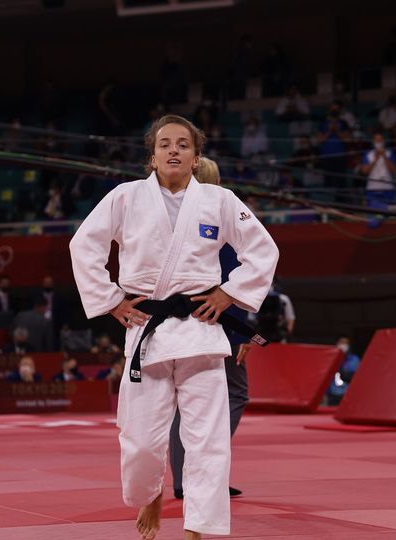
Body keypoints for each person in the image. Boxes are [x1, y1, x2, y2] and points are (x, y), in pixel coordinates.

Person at [69, 114, 278, 540]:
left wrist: (229, 293)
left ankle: (198, 525)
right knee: (141, 440)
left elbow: (263, 250)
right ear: (152, 156)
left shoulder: (219, 200)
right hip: (148, 329)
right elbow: (84, 245)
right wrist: (111, 301)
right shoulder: (125, 197)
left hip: (201, 332)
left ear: (196, 156)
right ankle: (151, 493)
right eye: (165, 144)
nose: (174, 151)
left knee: (207, 439)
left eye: (183, 144)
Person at [169, 156, 256, 502]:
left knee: (184, 403)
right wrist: (244, 331)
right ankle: (206, 469)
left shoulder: (176, 219)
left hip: (181, 321)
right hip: (222, 323)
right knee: (234, 395)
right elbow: (237, 278)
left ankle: (183, 479)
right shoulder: (223, 215)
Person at [360, 133, 396, 208]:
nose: (378, 143)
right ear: (373, 142)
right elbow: (364, 171)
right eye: (377, 141)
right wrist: (375, 159)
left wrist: (385, 156)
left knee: (389, 212)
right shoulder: (368, 154)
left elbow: (394, 169)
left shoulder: (390, 153)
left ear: (383, 142)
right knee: (373, 212)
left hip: (388, 189)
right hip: (372, 189)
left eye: (380, 141)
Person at [325, 336, 362, 405]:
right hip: (332, 394)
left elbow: (356, 377)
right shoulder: (329, 358)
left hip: (348, 394)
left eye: (346, 343)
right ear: (337, 343)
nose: (343, 345)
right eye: (342, 342)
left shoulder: (354, 359)